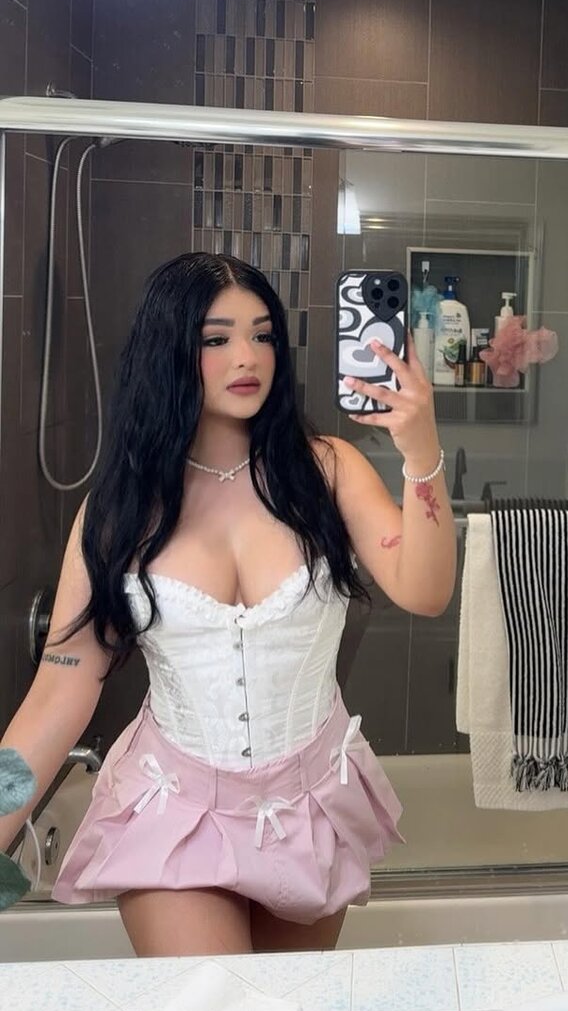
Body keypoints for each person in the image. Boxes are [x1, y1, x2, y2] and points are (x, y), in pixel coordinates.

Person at [0, 252, 456, 956]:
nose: (247, 357)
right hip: (173, 805)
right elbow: (56, 697)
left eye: (262, 334)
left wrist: (419, 452)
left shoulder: (328, 469)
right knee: (220, 1003)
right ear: (169, 351)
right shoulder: (120, 510)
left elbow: (425, 592)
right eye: (216, 338)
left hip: (310, 802)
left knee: (286, 1004)